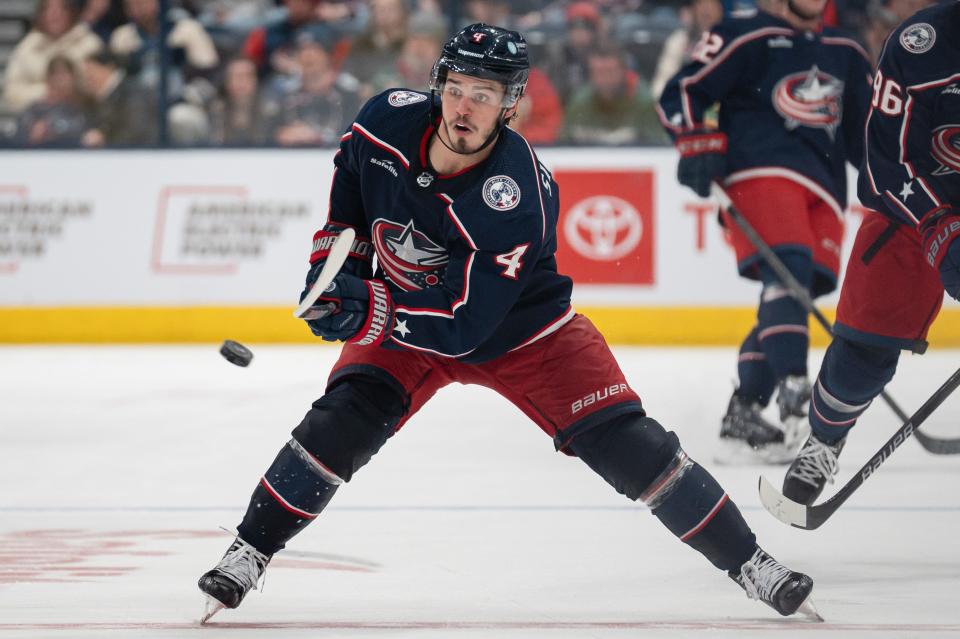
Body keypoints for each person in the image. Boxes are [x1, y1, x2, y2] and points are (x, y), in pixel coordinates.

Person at [196, 23, 818, 623]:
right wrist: (332, 273)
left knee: (633, 448)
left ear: (510, 104)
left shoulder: (515, 192)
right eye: (458, 88)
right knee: (339, 423)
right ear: (439, 84)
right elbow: (348, 208)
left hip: (525, 334)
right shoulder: (384, 120)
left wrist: (370, 309)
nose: (465, 107)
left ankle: (752, 564)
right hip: (410, 320)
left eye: (484, 96)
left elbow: (466, 326)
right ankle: (248, 550)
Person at [657, 0, 874, 464]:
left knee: (798, 290)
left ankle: (744, 416)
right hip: (758, 170)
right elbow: (684, 89)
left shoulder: (847, 51)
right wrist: (695, 139)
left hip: (827, 188)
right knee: (790, 274)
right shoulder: (745, 32)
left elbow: (867, 138)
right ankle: (798, 404)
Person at [781, 1, 960, 503]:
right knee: (864, 350)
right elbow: (885, 164)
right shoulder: (918, 44)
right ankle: (825, 437)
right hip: (910, 209)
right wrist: (941, 225)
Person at [3, 0, 103, 113]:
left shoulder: (90, 45)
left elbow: (102, 86)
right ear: (41, 14)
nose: (55, 14)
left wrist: (71, 91)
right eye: (48, 9)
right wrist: (46, 92)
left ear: (71, 12)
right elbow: (11, 91)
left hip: (83, 115)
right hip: (38, 116)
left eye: (61, 9)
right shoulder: (27, 48)